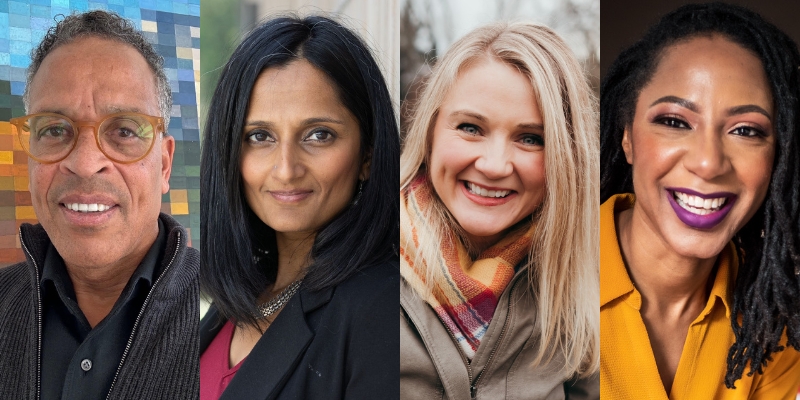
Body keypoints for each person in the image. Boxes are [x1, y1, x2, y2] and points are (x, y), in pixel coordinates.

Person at [600, 3, 800, 398]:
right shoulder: (543, 279)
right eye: (674, 122)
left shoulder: (772, 324)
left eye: (746, 130)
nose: (708, 163)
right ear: (627, 137)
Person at [0, 10, 199, 400]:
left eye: (124, 130)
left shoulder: (236, 319)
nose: (86, 162)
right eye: (55, 130)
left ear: (164, 164)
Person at [199, 15, 400, 400]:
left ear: (367, 155)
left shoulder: (381, 308)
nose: (286, 169)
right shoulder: (240, 299)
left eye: (318, 135)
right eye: (260, 136)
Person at [399, 21, 599, 399]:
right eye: (471, 128)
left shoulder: (588, 289)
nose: (494, 165)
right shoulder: (360, 264)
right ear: (430, 132)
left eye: (530, 138)